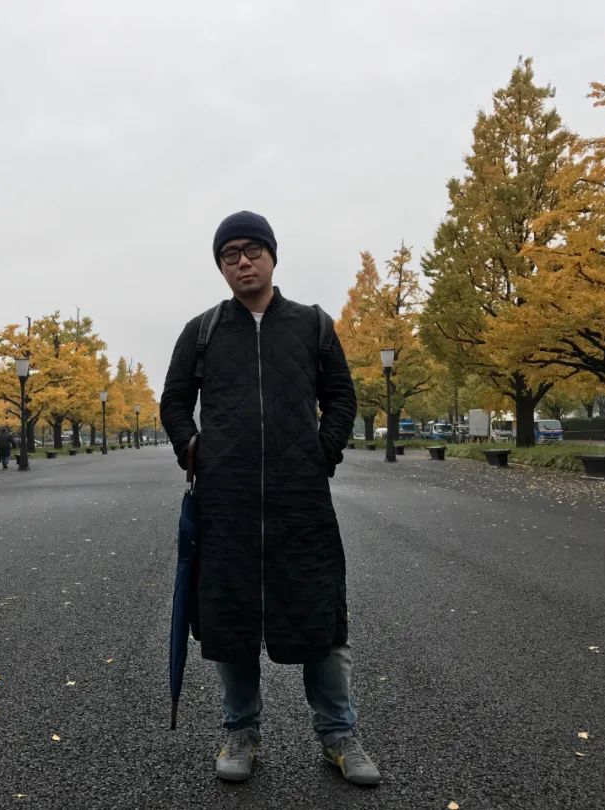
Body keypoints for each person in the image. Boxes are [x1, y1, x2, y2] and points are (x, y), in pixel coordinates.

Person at [160, 211, 381, 786]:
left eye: (252, 250)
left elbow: (341, 397)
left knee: (322, 619)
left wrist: (320, 454)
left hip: (301, 502)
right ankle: (241, 731)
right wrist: (194, 451)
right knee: (231, 619)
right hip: (226, 503)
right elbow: (174, 402)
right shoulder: (203, 331)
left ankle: (339, 735)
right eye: (229, 254)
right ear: (221, 266)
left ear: (272, 255)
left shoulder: (313, 325)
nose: (242, 262)